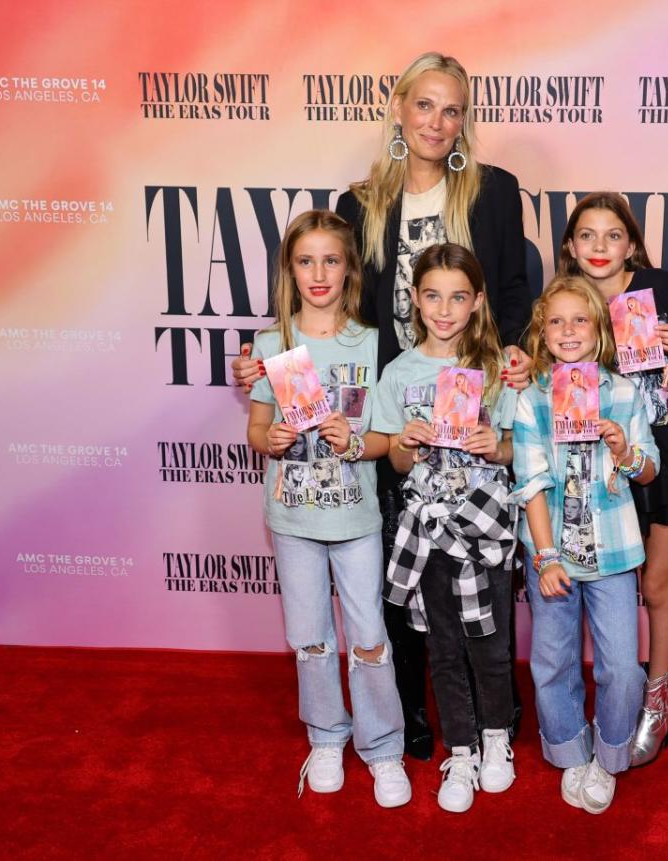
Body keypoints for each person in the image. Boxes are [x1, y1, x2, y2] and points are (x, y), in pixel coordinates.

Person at [559, 192, 668, 766]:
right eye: (588, 235)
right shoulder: (565, 301)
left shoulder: (659, 289)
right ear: (570, 246)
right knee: (596, 591)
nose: (600, 247)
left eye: (613, 235)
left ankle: (657, 703)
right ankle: (608, 697)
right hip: (590, 466)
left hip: (664, 455)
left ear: (631, 243)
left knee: (655, 585)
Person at [246, 209, 411, 808]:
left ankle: (384, 747)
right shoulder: (273, 344)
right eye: (306, 260)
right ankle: (325, 735)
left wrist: (355, 440)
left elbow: (388, 438)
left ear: (349, 269)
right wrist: (269, 439)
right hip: (293, 520)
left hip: (356, 519)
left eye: (332, 260)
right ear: (289, 269)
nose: (319, 273)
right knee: (309, 636)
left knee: (368, 636)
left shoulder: (371, 342)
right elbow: (258, 425)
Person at [373, 243, 518, 813]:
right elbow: (396, 462)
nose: (444, 309)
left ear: (478, 301)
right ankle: (460, 749)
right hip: (427, 534)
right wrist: (406, 444)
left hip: (484, 530)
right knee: (443, 649)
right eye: (432, 295)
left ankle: (496, 739)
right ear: (414, 299)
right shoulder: (400, 372)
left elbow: (516, 447)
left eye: (459, 297)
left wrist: (496, 445)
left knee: (493, 645)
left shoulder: (497, 370)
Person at [510, 275, 659, 813]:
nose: (568, 330)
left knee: (621, 664)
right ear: (541, 333)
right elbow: (530, 482)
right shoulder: (532, 401)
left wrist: (623, 449)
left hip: (614, 554)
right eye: (556, 321)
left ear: (599, 330)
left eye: (580, 320)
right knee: (553, 660)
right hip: (554, 555)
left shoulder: (623, 393)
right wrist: (545, 556)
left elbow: (649, 468)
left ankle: (610, 754)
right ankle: (570, 747)